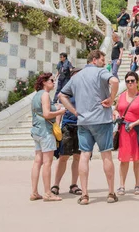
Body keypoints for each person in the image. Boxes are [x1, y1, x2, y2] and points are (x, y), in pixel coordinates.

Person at [58, 49, 120, 205]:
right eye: (102, 60)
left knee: (84, 156)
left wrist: (74, 111)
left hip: (84, 121)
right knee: (106, 155)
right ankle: (111, 193)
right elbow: (115, 81)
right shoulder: (100, 72)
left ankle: (84, 195)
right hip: (101, 120)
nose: (104, 63)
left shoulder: (77, 77)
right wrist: (111, 99)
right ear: (94, 59)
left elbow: (61, 95)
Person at [30, 73, 66, 202]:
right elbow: (46, 114)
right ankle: (47, 193)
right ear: (44, 82)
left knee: (37, 161)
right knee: (47, 163)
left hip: (36, 131)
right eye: (51, 80)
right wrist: (60, 112)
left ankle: (34, 192)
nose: (54, 82)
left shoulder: (36, 95)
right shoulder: (45, 95)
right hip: (45, 132)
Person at [114, 72, 139, 195]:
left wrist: (134, 123)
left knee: (137, 159)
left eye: (132, 80)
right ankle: (122, 186)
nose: (130, 83)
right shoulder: (121, 96)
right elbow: (115, 109)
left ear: (137, 82)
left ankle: (137, 185)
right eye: (128, 81)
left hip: (137, 131)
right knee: (124, 160)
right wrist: (116, 114)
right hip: (124, 130)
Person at [52, 68, 83, 197]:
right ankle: (56, 185)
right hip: (67, 126)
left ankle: (74, 185)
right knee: (63, 157)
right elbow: (60, 110)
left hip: (81, 127)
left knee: (77, 157)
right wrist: (57, 127)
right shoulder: (66, 91)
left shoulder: (85, 91)